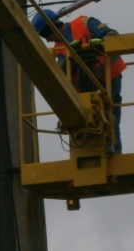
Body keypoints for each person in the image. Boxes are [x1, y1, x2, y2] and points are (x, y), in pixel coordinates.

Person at [31, 9, 126, 153]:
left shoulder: (83, 23)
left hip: (109, 76)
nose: (48, 40)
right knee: (90, 120)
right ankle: (92, 151)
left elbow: (112, 34)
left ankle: (115, 152)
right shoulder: (60, 47)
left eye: (46, 35)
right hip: (86, 85)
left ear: (51, 27)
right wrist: (71, 57)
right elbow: (62, 72)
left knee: (111, 117)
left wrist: (99, 44)